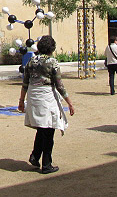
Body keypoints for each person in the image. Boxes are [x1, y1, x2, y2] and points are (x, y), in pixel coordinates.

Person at [18, 35, 75, 174]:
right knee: (49, 129)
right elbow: (59, 85)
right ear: (52, 48)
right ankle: (46, 164)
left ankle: (35, 155)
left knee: (42, 128)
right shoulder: (52, 62)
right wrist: (69, 102)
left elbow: (25, 83)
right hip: (46, 97)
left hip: (33, 95)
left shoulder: (31, 61)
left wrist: (21, 100)